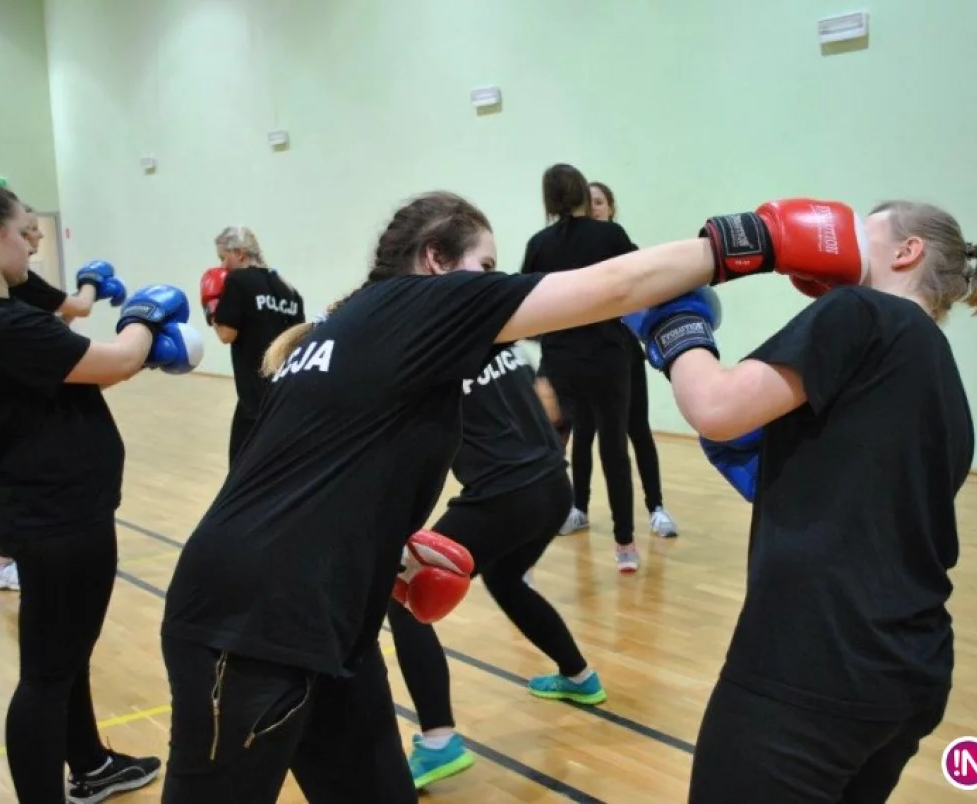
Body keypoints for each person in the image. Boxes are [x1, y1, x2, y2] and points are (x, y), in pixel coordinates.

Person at [156, 188, 858, 802]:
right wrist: (759, 241)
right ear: (436, 260)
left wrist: (384, 561)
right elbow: (610, 287)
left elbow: (309, 479)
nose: (495, 285)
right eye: (485, 269)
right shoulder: (417, 305)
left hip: (329, 622)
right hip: (246, 626)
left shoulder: (355, 327)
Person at [620, 199, 977, 802]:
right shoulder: (939, 374)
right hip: (910, 671)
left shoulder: (860, 311)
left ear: (907, 252)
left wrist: (677, 324)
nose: (841, 240)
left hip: (811, 668)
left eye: (864, 231)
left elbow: (716, 408)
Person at [0, 174, 204, 804]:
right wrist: (142, 319)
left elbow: (77, 376)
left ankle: (91, 763)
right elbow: (112, 359)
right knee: (48, 674)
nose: (32, 242)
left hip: (45, 509)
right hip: (58, 518)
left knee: (65, 652)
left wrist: (130, 351)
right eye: (24, 231)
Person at [384, 335, 606, 790]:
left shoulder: (435, 348)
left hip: (506, 496)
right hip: (552, 487)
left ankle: (438, 739)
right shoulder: (497, 336)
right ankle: (579, 676)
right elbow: (547, 406)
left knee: (405, 590)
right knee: (506, 578)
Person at [0, 209, 120, 593]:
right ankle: (4, 562)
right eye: (30, 232)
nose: (37, 240)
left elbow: (53, 338)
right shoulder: (18, 286)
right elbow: (80, 307)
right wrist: (93, 282)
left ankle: (4, 561)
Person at [521, 164, 644, 572]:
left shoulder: (539, 243)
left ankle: (526, 556)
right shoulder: (610, 235)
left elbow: (527, 303)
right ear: (578, 193)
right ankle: (625, 546)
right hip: (608, 359)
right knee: (614, 451)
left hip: (559, 364)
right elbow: (640, 280)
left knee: (546, 456)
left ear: (548, 199)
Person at [559, 180, 678, 539]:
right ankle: (578, 508)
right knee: (583, 435)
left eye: (599, 202)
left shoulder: (625, 250)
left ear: (610, 207)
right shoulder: (573, 255)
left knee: (637, 430)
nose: (594, 207)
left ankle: (656, 508)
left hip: (624, 357)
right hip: (585, 358)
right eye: (588, 202)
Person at [199, 225, 305, 464]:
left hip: (253, 398)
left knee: (240, 470)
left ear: (239, 253)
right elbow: (298, 340)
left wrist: (211, 307)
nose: (222, 266)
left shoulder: (238, 280)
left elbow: (226, 334)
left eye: (223, 257)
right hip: (285, 395)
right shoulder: (289, 290)